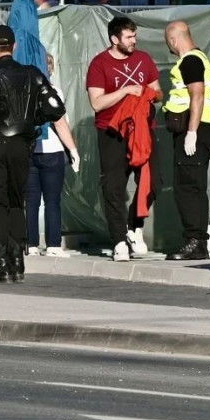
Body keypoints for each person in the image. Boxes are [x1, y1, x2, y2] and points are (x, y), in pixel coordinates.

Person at [0, 25, 62, 283]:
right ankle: (18, 262)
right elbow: (55, 109)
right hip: (22, 147)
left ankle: (0, 264)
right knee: (15, 202)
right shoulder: (32, 74)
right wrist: (34, 116)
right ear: (14, 46)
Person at [86, 16, 162, 261]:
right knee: (114, 187)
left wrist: (150, 94)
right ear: (114, 39)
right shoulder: (99, 64)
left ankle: (133, 226)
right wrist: (125, 91)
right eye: (129, 37)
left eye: (134, 36)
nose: (133, 41)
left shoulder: (143, 59)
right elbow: (96, 103)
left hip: (142, 129)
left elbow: (158, 91)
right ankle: (118, 240)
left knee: (154, 181)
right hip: (111, 132)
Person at [162, 21, 210, 261]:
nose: (169, 47)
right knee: (189, 186)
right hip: (195, 129)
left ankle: (196, 241)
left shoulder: (191, 61)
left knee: (190, 188)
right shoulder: (198, 58)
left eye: (168, 42)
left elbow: (197, 94)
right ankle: (194, 240)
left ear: (174, 40)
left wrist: (191, 132)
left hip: (195, 130)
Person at [25, 53, 80, 258]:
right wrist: (73, 150)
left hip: (30, 150)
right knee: (52, 200)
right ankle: (53, 245)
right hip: (52, 150)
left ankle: (30, 245)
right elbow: (60, 123)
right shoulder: (53, 91)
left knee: (31, 201)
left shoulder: (24, 91)